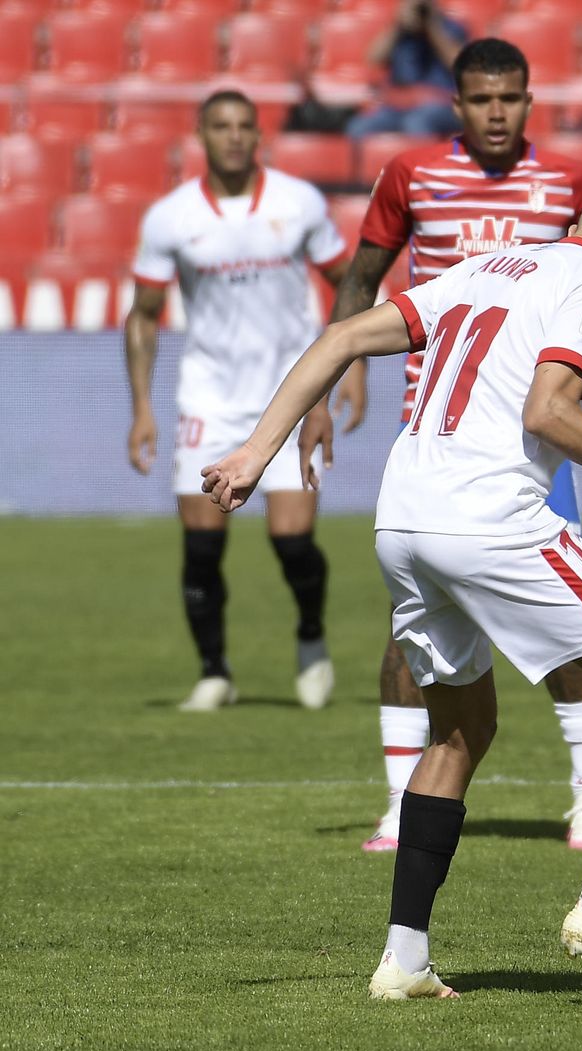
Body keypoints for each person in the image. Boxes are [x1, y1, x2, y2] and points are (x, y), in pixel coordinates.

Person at [204, 176, 582, 995]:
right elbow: (548, 412)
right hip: (488, 517)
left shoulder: (485, 267)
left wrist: (253, 454)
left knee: (461, 731)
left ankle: (403, 961)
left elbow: (338, 337)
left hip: (402, 522)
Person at [318, 38, 582, 854]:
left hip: (535, 440)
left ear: (528, 99)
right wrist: (341, 381)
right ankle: (404, 799)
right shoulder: (412, 175)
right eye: (482, 99)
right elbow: (363, 273)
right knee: (414, 633)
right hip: (439, 425)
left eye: (510, 97)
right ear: (458, 103)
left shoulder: (575, 185)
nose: (497, 112)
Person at [125, 89, 351, 713]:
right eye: (220, 126)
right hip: (209, 397)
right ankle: (214, 672)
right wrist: (142, 406)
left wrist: (344, 374)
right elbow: (143, 316)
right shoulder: (170, 217)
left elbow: (348, 282)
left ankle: (310, 636)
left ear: (259, 136)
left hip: (290, 392)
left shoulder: (297, 203)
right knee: (202, 545)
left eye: (244, 126)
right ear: (201, 132)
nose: (232, 136)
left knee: (292, 542)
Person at [346, 0, 468, 139]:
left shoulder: (451, 27)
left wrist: (432, 26)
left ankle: (421, 161)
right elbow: (374, 58)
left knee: (416, 122)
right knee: (359, 126)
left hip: (440, 105)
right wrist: (397, 25)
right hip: (399, 107)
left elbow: (457, 63)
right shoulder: (400, 31)